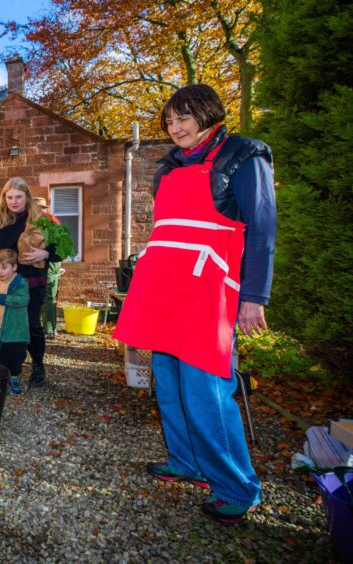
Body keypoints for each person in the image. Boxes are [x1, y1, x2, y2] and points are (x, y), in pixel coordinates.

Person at [113, 84, 276, 524]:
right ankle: (186, 461)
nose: (175, 127)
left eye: (183, 117)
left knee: (206, 390)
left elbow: (261, 229)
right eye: (169, 121)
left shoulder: (243, 155)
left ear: (208, 114)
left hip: (208, 292)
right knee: (166, 380)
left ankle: (238, 486)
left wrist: (254, 296)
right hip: (163, 287)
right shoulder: (167, 167)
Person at [0, 177, 61, 389]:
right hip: (1, 284)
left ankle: (38, 365)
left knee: (31, 326)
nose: (14, 201)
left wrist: (46, 252)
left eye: (19, 197)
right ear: (4, 197)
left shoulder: (42, 219)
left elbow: (65, 247)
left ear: (27, 196)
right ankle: (2, 365)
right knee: (0, 324)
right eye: (10, 197)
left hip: (30, 285)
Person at [0, 249, 30, 395]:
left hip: (15, 328)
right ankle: (2, 375)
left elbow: (23, 300)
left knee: (15, 355)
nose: (0, 272)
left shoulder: (19, 282)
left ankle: (14, 377)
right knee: (0, 351)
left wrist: (1, 298)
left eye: (4, 268)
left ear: (14, 267)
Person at [33, 197, 63, 339]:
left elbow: (59, 245)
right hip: (41, 261)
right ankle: (39, 326)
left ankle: (50, 329)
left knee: (48, 295)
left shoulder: (50, 220)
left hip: (51, 261)